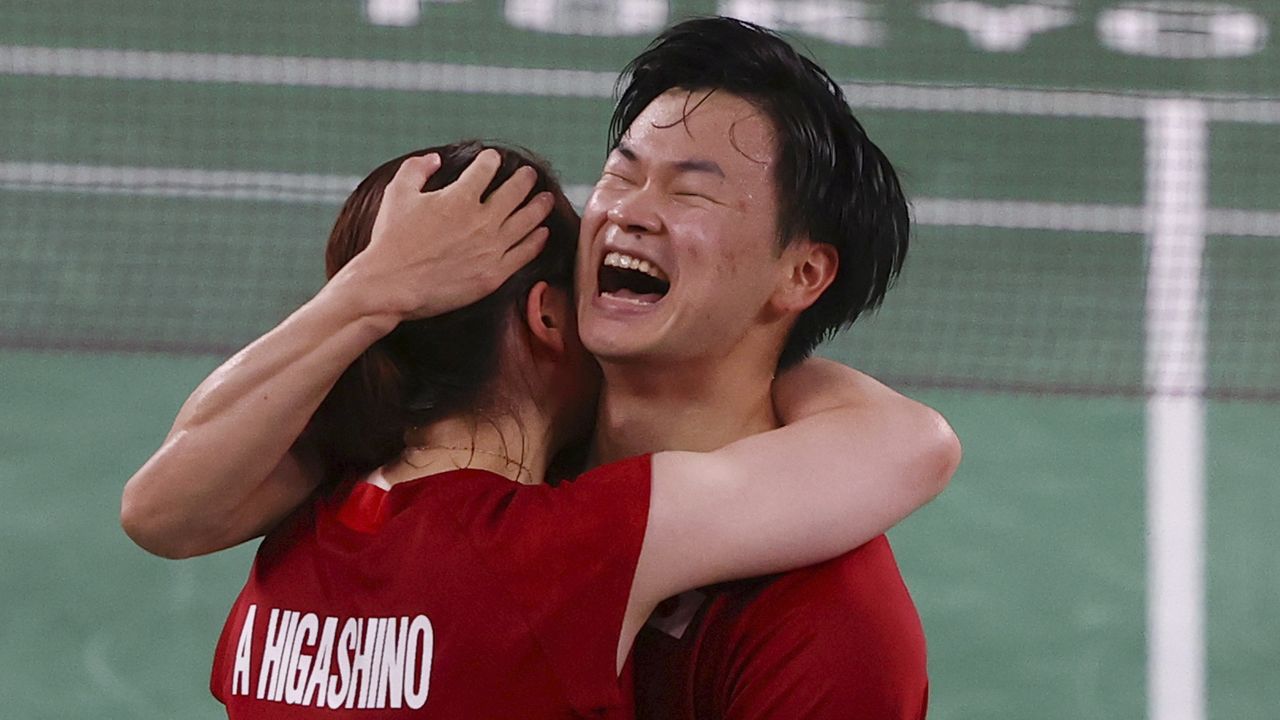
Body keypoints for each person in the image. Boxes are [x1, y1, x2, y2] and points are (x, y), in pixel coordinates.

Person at [122, 140, 958, 717]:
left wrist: (370, 291)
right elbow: (910, 443)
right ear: (549, 320)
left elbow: (158, 510)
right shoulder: (564, 551)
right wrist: (731, 340)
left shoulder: (294, 541)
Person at [580, 17, 938, 719]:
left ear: (801, 273)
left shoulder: (827, 630)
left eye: (690, 192)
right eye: (620, 174)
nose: (629, 213)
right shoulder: (491, 451)